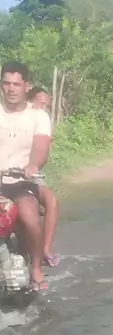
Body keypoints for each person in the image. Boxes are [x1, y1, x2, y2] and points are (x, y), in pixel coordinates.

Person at [0, 61, 52, 291]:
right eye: (6, 84)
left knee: (30, 216)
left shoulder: (37, 116)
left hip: (21, 180)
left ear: (26, 86)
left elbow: (41, 147)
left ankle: (37, 268)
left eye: (16, 84)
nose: (11, 89)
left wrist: (33, 165)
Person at [26, 87, 60, 267]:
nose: (44, 109)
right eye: (41, 104)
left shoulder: (43, 123)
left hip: (30, 176)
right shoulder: (17, 117)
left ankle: (45, 250)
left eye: (46, 106)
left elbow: (42, 155)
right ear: (29, 101)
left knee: (51, 200)